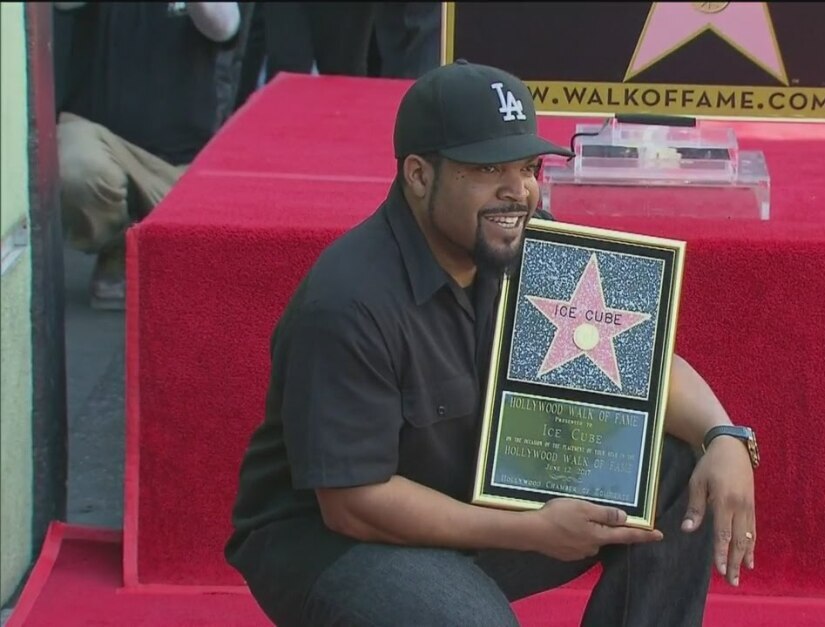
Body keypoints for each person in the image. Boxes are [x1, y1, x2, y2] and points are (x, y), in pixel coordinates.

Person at [225, 60, 760, 627]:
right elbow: (353, 505)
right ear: (418, 175)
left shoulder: (523, 238)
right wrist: (530, 530)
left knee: (677, 464)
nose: (518, 191)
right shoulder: (347, 302)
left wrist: (723, 436)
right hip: (339, 546)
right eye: (487, 169)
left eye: (527, 167)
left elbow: (638, 367)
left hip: (479, 503)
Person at [54, 2, 243, 309]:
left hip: (183, 165)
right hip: (104, 142)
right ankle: (117, 247)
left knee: (209, 278)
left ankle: (152, 251)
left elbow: (223, 26)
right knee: (76, 165)